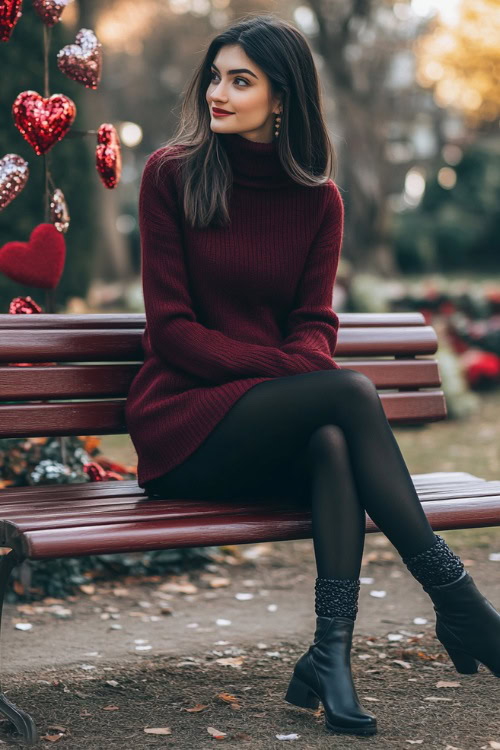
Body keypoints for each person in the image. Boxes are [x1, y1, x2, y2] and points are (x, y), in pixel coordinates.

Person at [125, 13, 500, 738]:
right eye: (215, 76)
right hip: (184, 423)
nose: (217, 92)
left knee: (333, 438)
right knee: (346, 393)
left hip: (273, 423)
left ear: (284, 97)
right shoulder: (172, 174)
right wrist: (290, 369)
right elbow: (172, 333)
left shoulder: (316, 199)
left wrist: (294, 370)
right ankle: (461, 603)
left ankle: (330, 654)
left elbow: (312, 327)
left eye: (241, 80)